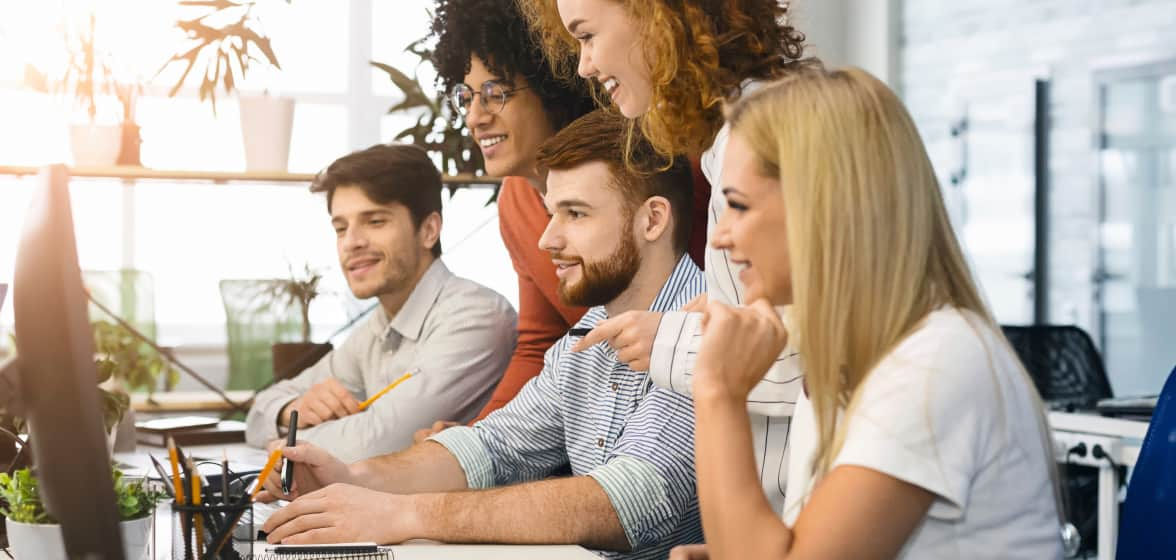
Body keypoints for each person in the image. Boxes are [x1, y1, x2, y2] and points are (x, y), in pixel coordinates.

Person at [257, 110, 704, 559]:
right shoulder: (582, 344)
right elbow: (489, 448)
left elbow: (629, 503)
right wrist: (352, 479)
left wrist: (404, 515)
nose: (547, 239)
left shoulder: (702, 335)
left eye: (575, 214)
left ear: (652, 221)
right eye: (552, 213)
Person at [673, 68, 1064, 559]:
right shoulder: (854, 361)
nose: (719, 236)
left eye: (738, 206)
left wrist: (718, 391)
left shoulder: (932, 364)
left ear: (822, 206)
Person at [517, 0, 815, 513]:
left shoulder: (759, 133)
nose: (584, 65)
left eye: (587, 36)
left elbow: (819, 356)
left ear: (656, 16)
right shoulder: (732, 138)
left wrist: (675, 341)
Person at [244, 144, 517, 463]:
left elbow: (375, 445)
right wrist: (292, 411)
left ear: (428, 230)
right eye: (341, 228)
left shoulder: (475, 316)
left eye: (375, 221)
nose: (352, 242)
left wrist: (287, 443)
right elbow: (257, 415)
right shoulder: (377, 329)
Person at [424, 0, 593, 425]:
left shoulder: (635, 182)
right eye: (466, 96)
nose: (474, 117)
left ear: (553, 85)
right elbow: (540, 343)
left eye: (495, 93)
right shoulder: (515, 201)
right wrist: (477, 437)